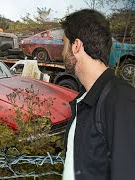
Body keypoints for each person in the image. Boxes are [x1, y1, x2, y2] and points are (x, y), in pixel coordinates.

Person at [61, 9, 135, 180]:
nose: (63, 52)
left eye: (64, 44)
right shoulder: (85, 97)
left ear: (76, 46)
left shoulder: (121, 102)